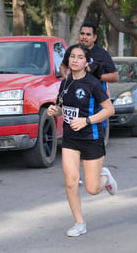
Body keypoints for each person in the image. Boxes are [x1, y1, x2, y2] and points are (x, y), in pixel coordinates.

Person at [48, 44, 117, 237]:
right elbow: (63, 107)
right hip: (70, 139)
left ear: (86, 62)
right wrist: (55, 110)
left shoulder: (92, 83)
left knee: (92, 188)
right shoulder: (65, 83)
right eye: (72, 56)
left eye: (79, 57)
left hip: (91, 138)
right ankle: (79, 223)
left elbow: (109, 110)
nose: (74, 60)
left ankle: (105, 178)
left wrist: (87, 120)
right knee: (70, 182)